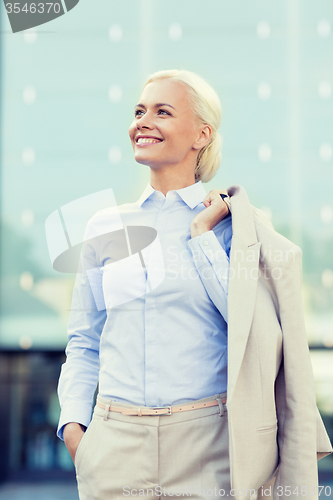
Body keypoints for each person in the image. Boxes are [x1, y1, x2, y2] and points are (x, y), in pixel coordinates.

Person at [57, 69, 332, 500]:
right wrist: (76, 430)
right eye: (139, 111)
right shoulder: (105, 226)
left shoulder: (236, 228)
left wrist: (203, 235)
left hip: (211, 446)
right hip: (114, 446)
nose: (143, 121)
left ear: (201, 134)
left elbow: (253, 333)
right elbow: (84, 341)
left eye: (162, 112)